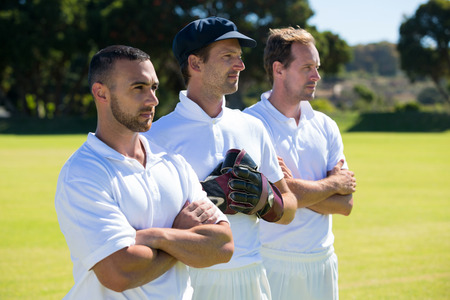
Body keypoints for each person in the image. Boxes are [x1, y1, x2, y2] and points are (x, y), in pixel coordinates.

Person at [54, 45, 234, 299]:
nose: (153, 99)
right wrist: (182, 235)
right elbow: (119, 273)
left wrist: (155, 236)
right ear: (101, 93)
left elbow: (222, 246)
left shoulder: (173, 163)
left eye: (154, 87)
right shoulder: (82, 173)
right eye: (138, 87)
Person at [144, 17, 297, 300]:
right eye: (228, 56)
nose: (240, 65)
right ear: (195, 64)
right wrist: (203, 201)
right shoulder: (155, 137)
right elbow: (144, 229)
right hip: (188, 282)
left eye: (239, 57)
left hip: (251, 277)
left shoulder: (252, 127)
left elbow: (289, 207)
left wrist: (265, 201)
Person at [244, 27, 356, 299]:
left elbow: (345, 204)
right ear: (278, 70)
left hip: (323, 261)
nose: (316, 76)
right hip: (271, 263)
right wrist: (332, 184)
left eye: (316, 67)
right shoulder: (249, 123)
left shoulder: (326, 125)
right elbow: (266, 201)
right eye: (307, 67)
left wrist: (287, 188)